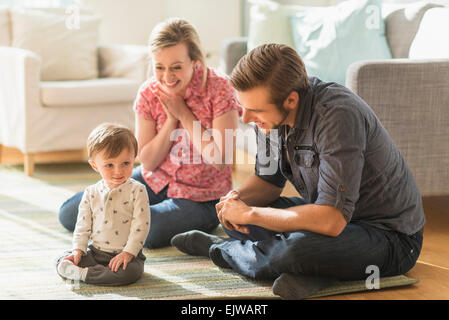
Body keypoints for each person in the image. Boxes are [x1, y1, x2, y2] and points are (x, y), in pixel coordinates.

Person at [170, 43, 426, 299]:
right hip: (327, 220)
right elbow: (267, 182)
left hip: (388, 237)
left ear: (291, 99)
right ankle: (314, 272)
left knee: (293, 250)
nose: (246, 119)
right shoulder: (271, 119)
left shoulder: (337, 117)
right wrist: (235, 202)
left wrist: (251, 213)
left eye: (255, 110)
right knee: (238, 223)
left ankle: (223, 250)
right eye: (243, 106)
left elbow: (331, 220)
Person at [58, 18, 241, 248]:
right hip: (153, 180)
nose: (167, 77)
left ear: (194, 62)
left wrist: (184, 114)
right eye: (159, 67)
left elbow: (221, 160)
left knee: (150, 231)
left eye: (176, 67)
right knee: (69, 213)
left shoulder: (220, 88)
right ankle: (115, 227)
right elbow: (147, 161)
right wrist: (171, 120)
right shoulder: (148, 92)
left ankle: (107, 227)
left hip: (201, 198)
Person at [56, 123, 150, 286]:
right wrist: (78, 250)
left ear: (134, 158)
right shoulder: (91, 192)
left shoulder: (138, 190)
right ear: (94, 165)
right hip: (95, 252)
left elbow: (141, 226)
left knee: (130, 273)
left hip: (127, 255)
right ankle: (86, 270)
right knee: (61, 259)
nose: (118, 171)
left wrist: (128, 253)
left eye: (125, 163)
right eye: (109, 165)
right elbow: (83, 225)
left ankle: (85, 275)